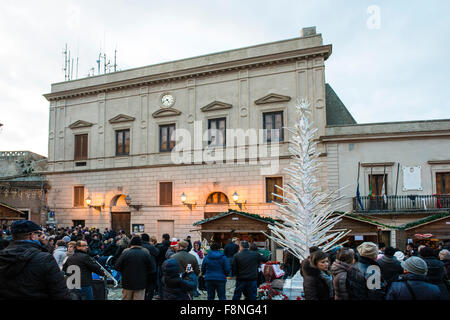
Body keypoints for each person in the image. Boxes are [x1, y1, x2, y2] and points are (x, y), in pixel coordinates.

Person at [0, 220, 71, 299]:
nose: (40, 237)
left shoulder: (2, 255)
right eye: (39, 234)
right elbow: (61, 293)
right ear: (32, 235)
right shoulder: (45, 259)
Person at [114, 236, 156, 300]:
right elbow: (152, 268)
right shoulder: (145, 253)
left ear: (131, 243)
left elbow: (117, 266)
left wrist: (124, 271)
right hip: (141, 283)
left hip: (127, 282)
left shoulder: (126, 253)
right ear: (140, 243)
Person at [155, 233, 171, 299]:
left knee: (160, 280)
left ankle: (160, 295)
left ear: (163, 238)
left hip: (161, 265)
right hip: (169, 265)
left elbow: (157, 256)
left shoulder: (160, 246)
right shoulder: (171, 245)